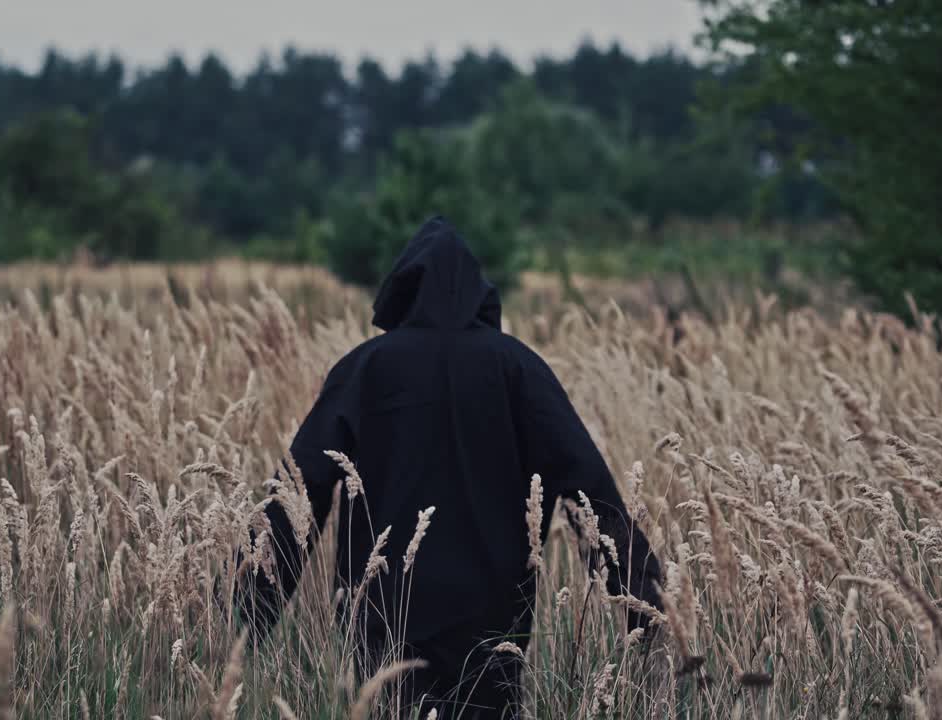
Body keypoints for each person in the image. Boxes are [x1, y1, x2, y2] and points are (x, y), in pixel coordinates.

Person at [239, 216, 663, 718]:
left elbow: (300, 489)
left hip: (386, 610)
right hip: (492, 617)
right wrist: (644, 600)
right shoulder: (519, 368)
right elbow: (588, 487)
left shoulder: (367, 368)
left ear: (402, 291)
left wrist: (247, 611)